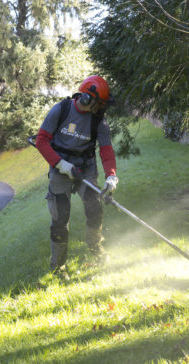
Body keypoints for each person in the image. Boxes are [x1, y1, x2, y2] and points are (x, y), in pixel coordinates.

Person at [36, 75, 119, 275]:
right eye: (98, 104)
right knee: (60, 218)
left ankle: (95, 247)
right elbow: (41, 141)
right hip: (60, 167)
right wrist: (60, 164)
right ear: (86, 99)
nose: (101, 109)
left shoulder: (99, 120)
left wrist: (111, 176)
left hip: (85, 167)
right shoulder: (61, 110)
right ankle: (58, 266)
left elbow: (106, 150)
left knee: (95, 208)